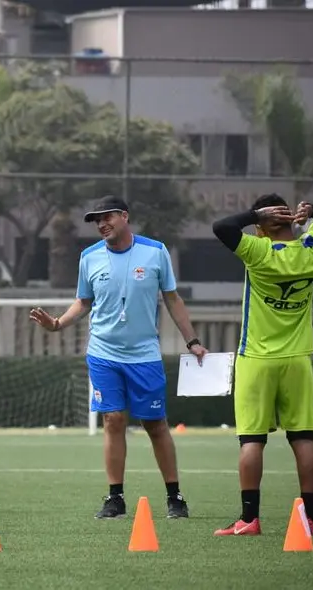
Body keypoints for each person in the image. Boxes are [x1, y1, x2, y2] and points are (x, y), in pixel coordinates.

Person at [30, 195, 206, 520]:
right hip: (103, 353)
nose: (101, 224)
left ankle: (174, 496)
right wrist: (57, 324)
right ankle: (115, 498)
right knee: (113, 420)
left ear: (124, 216)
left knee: (155, 424)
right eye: (96, 220)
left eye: (106, 217)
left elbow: (172, 299)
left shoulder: (155, 251)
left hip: (144, 355)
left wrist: (192, 340)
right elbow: (83, 302)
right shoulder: (89, 257)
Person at [210, 194, 313, 537]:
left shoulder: (258, 251)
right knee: (304, 438)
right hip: (297, 360)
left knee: (252, 441)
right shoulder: (312, 249)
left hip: (257, 359)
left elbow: (222, 227)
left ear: (262, 227)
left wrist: (254, 215)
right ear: (291, 220)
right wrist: (311, 213)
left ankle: (249, 520)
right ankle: (310, 519)